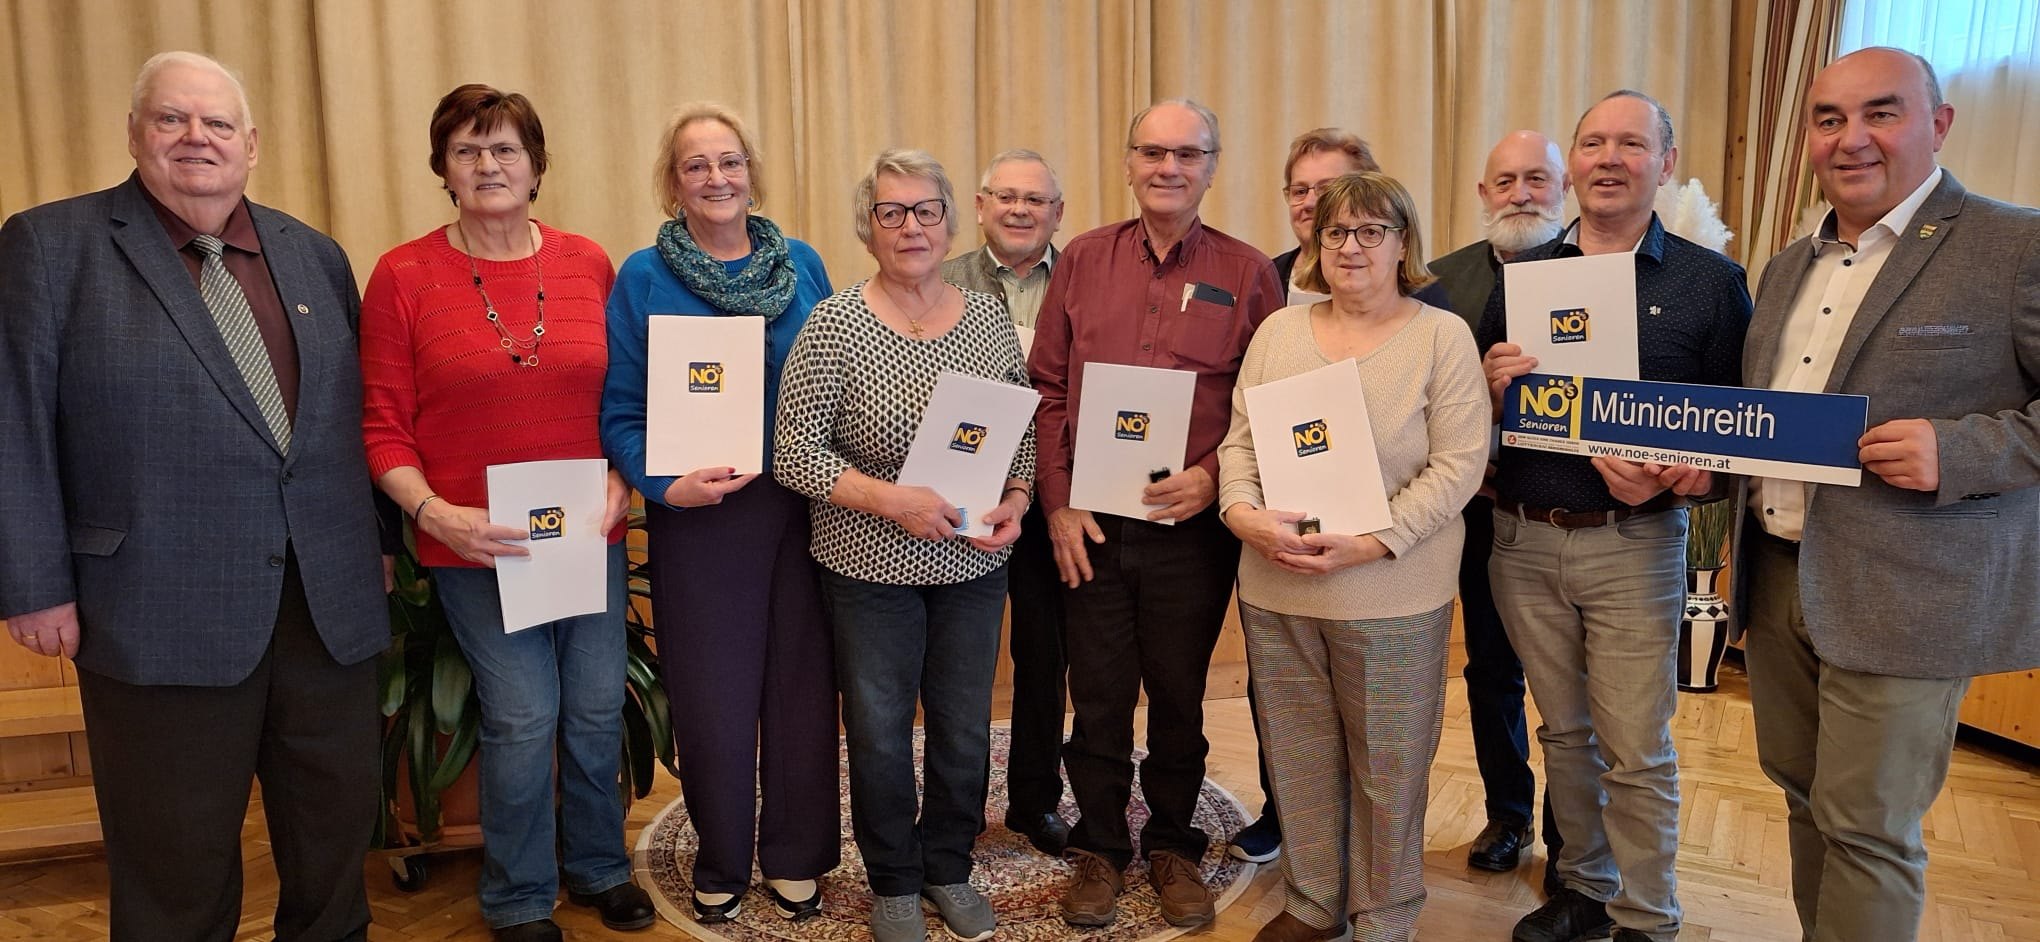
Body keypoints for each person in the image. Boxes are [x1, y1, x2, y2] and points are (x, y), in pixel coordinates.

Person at [0, 51, 388, 940]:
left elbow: (347, 419)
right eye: (171, 119)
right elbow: (12, 419)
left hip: (325, 609)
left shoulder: (314, 255)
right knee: (174, 864)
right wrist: (33, 583)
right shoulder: (51, 246)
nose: (195, 138)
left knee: (333, 843)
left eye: (217, 123)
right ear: (135, 134)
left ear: (251, 144)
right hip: (155, 608)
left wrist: (376, 542)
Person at [1733, 46, 2039, 942]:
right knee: (1803, 797)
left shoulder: (2015, 244)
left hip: (1909, 593)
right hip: (1779, 578)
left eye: (1881, 113)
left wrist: (1960, 449)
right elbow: (1763, 419)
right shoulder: (1785, 268)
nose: (1851, 138)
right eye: (1828, 119)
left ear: (1938, 125)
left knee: (1868, 829)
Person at [358, 84, 652, 942]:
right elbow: (381, 425)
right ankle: (519, 896)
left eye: (505, 149)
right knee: (523, 714)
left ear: (536, 165)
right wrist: (435, 514)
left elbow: (623, 394)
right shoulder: (403, 276)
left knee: (594, 707)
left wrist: (622, 479)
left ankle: (598, 867)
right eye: (467, 150)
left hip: (585, 535)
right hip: (474, 545)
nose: (488, 165)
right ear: (444, 169)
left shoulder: (588, 262)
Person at [1477, 90, 1751, 942]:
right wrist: (1488, 387)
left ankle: (1648, 915)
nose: (1608, 158)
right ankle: (1585, 890)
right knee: (1565, 735)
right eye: (1593, 143)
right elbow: (1477, 419)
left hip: (1634, 544)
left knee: (1636, 747)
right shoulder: (1521, 276)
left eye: (1631, 143)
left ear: (1665, 163)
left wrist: (1690, 476)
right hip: (1523, 540)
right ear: (1574, 165)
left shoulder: (1712, 283)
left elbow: (1737, 430)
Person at [1031, 99, 1283, 929]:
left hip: (1193, 535)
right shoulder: (1082, 260)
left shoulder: (1250, 272)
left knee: (1179, 696)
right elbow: (1048, 388)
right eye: (1153, 152)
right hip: (1092, 527)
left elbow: (1265, 402)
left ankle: (1175, 844)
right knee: (1099, 697)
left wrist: (1213, 477)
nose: (1168, 167)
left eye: (1187, 153)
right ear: (1129, 162)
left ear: (1212, 166)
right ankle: (1100, 850)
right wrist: (1059, 504)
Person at [773, 149, 1034, 942]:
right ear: (869, 228)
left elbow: (1018, 431)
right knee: (880, 730)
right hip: (867, 566)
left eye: (926, 210)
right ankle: (893, 879)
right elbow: (794, 453)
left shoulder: (988, 317)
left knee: (963, 727)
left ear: (950, 222)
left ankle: (948, 867)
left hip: (974, 563)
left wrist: (1019, 499)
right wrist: (892, 501)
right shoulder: (834, 323)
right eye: (892, 212)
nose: (911, 226)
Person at [1218, 171, 1487, 942]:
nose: (1351, 247)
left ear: (1404, 244)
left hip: (1392, 591)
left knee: (1388, 768)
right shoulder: (1278, 333)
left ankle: (1384, 915)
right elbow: (1240, 446)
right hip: (1279, 586)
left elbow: (1458, 466)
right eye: (1335, 232)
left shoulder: (1441, 337)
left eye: (1372, 231)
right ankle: (1312, 901)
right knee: (1300, 756)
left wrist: (1371, 542)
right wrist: (1243, 516)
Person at [600, 103, 841, 924]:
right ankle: (723, 857)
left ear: (751, 173)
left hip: (805, 508)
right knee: (712, 694)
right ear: (673, 183)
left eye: (730, 161)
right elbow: (621, 409)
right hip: (699, 512)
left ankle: (797, 854)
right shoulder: (643, 276)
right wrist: (664, 484)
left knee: (803, 686)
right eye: (696, 165)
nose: (716, 178)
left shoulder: (803, 264)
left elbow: (837, 380)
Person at [1426, 130, 1570, 886]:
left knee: (1570, 686)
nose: (1521, 194)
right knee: (1491, 670)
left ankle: (1572, 836)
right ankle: (1508, 812)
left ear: (1563, 187)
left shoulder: (1599, 273)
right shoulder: (1438, 281)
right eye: (1506, 180)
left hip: (1577, 513)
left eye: (1537, 179)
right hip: (1479, 514)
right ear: (1483, 193)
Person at [938, 148, 1072, 856]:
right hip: (961, 502)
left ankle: (1034, 800)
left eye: (1036, 199)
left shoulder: (1082, 282)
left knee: (1044, 657)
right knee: (960, 665)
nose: (1020, 210)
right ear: (981, 205)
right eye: (1006, 197)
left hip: (1053, 499)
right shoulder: (942, 278)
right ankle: (953, 808)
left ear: (1058, 213)